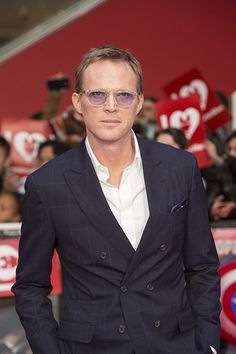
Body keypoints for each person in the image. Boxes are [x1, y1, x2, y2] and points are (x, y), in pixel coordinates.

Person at [12, 46, 221, 354]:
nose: (111, 106)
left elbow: (202, 267)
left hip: (175, 344)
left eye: (123, 95)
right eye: (97, 95)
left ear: (138, 103)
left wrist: (207, 345)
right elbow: (30, 286)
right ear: (78, 102)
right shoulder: (47, 184)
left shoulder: (180, 168)